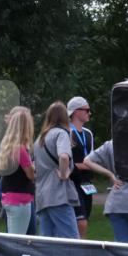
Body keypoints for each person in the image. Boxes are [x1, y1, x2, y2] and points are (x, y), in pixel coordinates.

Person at [34, 101, 80, 239]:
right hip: (58, 195)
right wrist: (64, 173)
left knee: (48, 240)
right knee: (71, 239)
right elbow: (64, 156)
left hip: (42, 196)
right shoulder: (61, 134)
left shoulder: (39, 139)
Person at [81, 140, 128, 243]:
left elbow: (87, 161)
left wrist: (110, 175)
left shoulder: (111, 143)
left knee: (122, 245)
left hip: (116, 202)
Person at [0, 106, 35, 235]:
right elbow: (31, 174)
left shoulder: (7, 146)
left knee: (14, 236)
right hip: (20, 200)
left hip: (9, 197)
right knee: (17, 241)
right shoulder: (20, 149)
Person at [65, 96, 95, 238]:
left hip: (87, 184)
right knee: (80, 222)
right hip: (72, 182)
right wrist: (82, 165)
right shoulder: (67, 132)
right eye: (87, 110)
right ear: (76, 112)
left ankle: (80, 248)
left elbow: (92, 157)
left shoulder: (88, 134)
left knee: (85, 221)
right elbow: (64, 160)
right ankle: (78, 249)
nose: (89, 113)